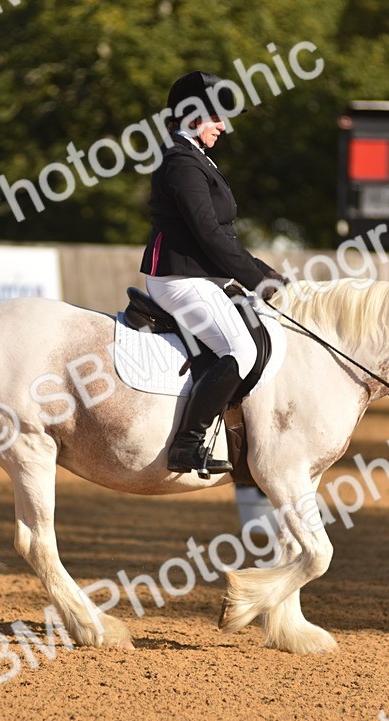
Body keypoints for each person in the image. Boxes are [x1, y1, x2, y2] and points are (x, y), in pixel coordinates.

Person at [140, 70, 285, 475]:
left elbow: (220, 234)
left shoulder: (196, 158)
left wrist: (261, 270)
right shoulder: (181, 163)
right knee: (240, 350)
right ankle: (187, 444)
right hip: (178, 278)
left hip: (197, 274)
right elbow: (208, 234)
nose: (223, 126)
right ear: (192, 117)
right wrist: (257, 280)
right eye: (216, 117)